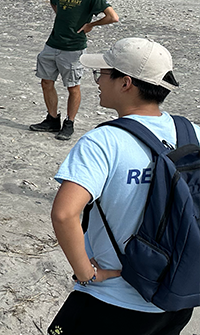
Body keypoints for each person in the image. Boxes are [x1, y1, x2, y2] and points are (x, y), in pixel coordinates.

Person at [48, 38, 196, 332]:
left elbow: (64, 214)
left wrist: (86, 273)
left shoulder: (104, 142)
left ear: (126, 83)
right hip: (177, 298)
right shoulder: (193, 133)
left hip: (112, 300)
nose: (98, 82)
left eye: (102, 73)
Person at [30, 0, 119, 141]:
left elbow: (112, 17)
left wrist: (90, 25)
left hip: (73, 48)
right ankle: (52, 119)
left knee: (72, 86)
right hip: (52, 44)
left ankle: (69, 123)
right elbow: (54, 2)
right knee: (46, 82)